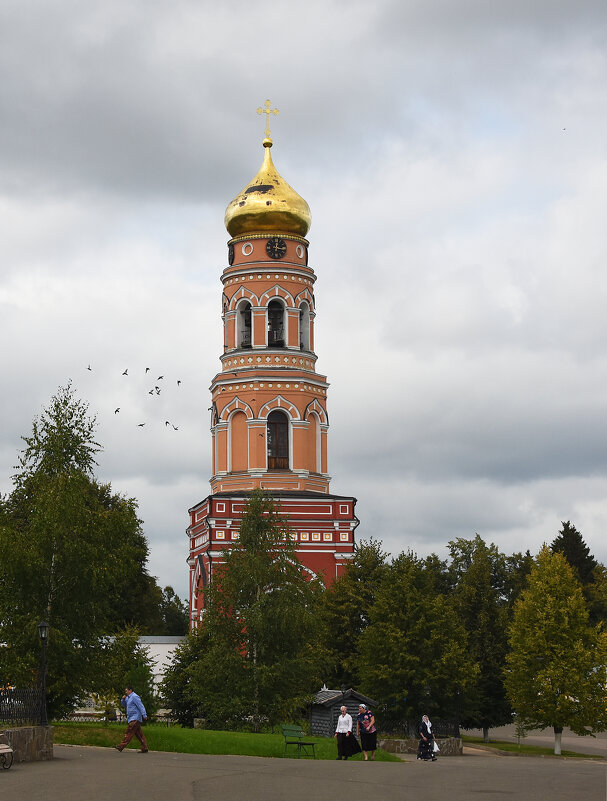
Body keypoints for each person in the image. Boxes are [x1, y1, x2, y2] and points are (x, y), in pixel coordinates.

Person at [114, 685, 149, 753]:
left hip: (135, 717)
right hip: (131, 717)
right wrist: (123, 699)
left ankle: (121, 746)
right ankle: (144, 747)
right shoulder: (128, 698)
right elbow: (124, 705)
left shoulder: (135, 697)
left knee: (129, 731)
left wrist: (144, 714)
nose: (126, 692)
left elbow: (141, 706)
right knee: (139, 734)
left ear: (130, 690)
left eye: (126, 690)